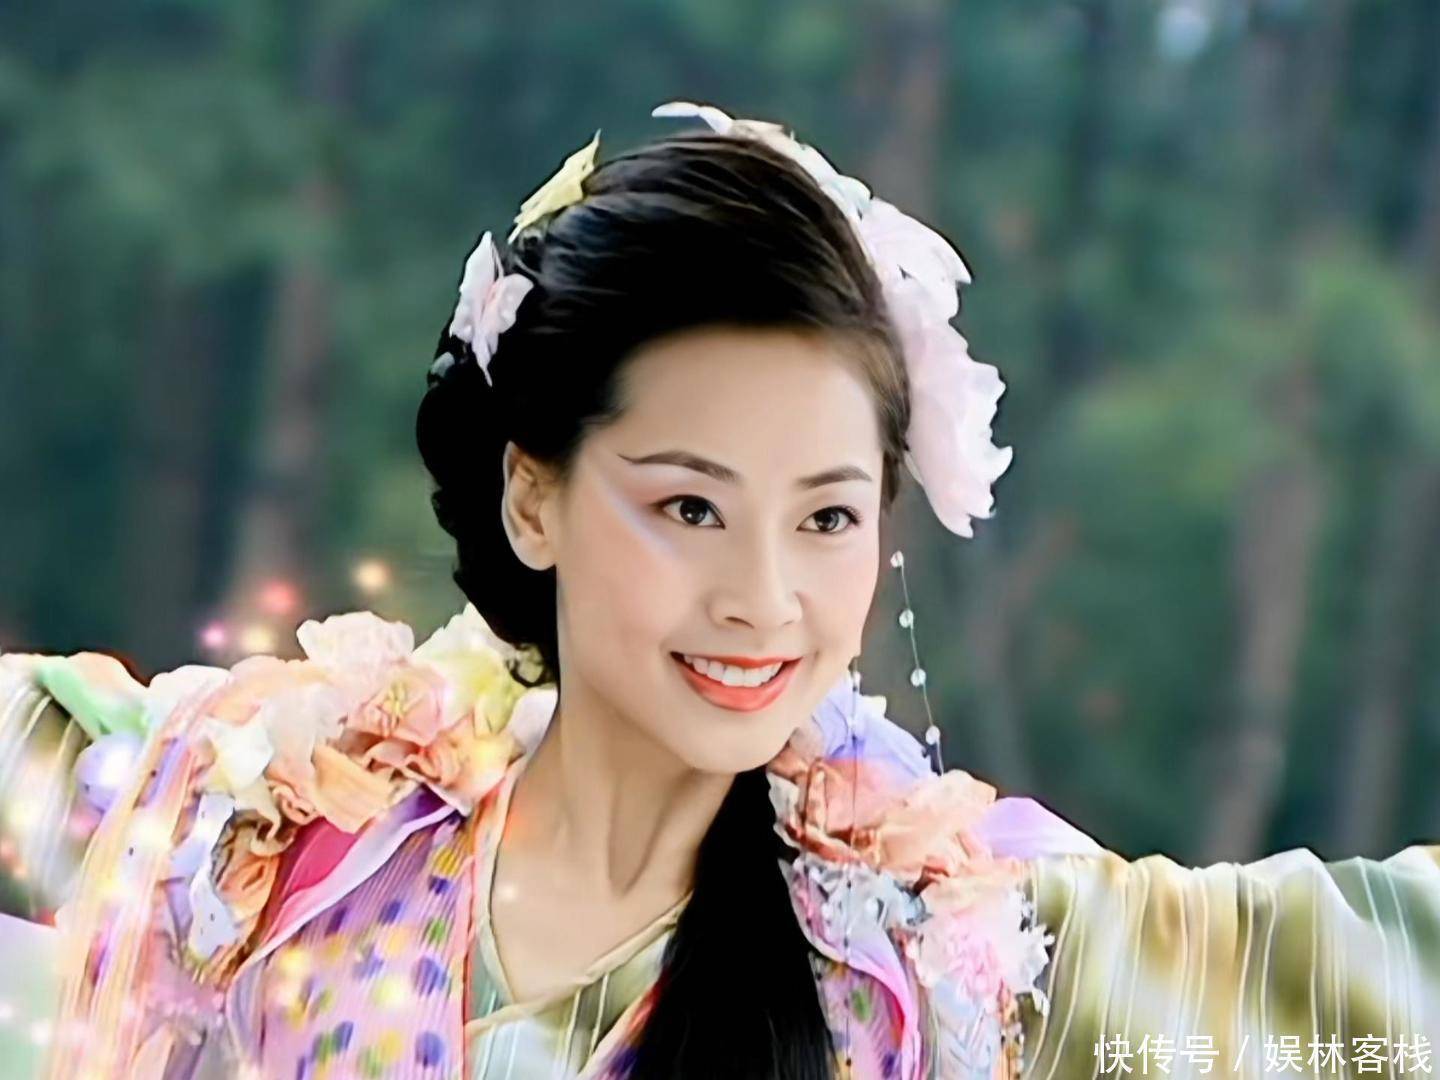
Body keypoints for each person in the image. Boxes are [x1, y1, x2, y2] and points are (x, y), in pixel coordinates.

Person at [0, 101, 1435, 1080]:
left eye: (827, 519)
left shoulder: (938, 957)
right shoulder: (286, 826)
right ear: (535, 495)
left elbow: (1342, 964)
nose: (763, 598)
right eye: (690, 507)